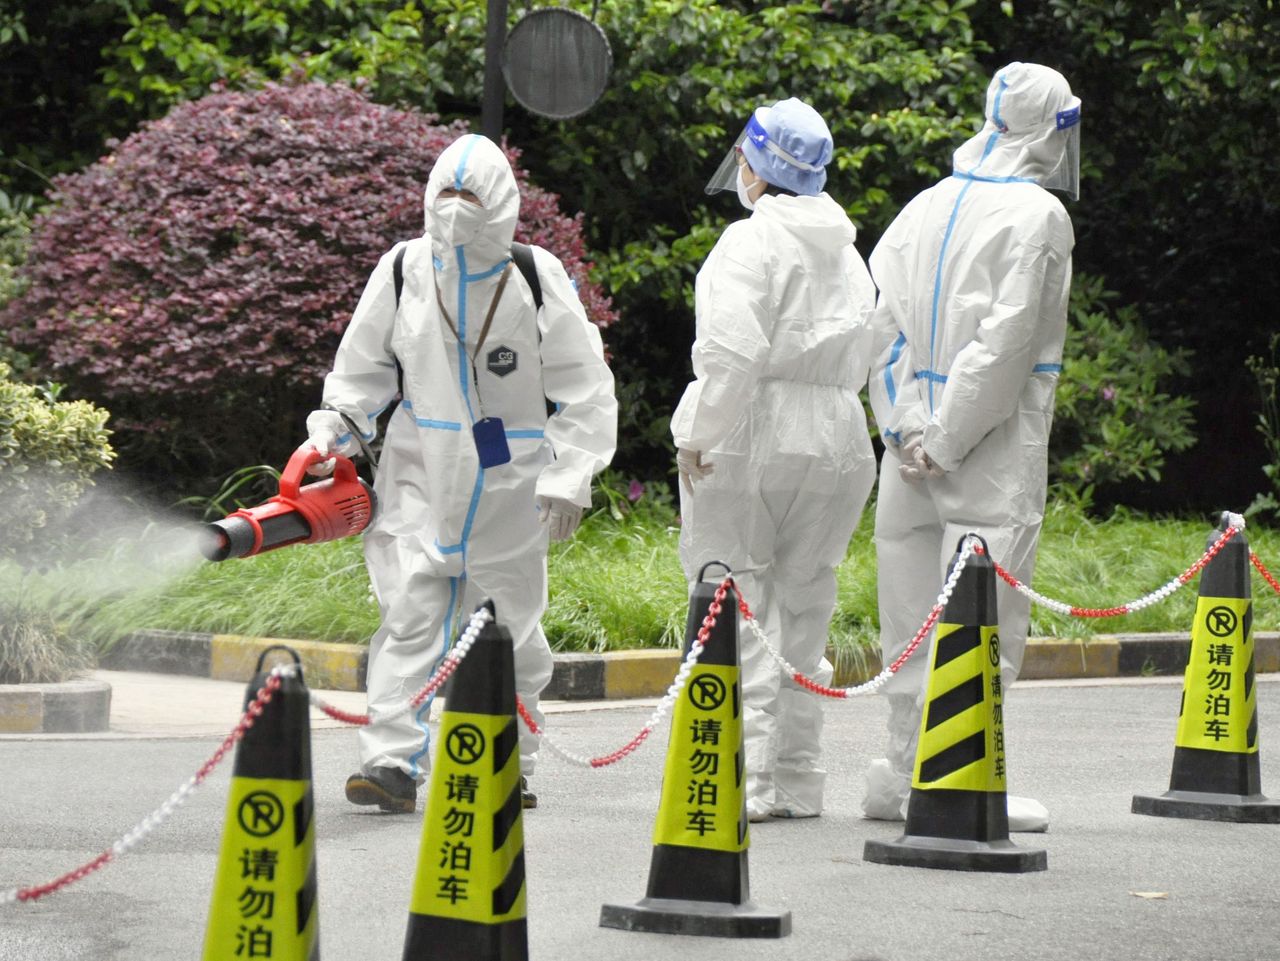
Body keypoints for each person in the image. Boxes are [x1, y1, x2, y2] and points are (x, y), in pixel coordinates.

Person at [304, 133, 617, 813]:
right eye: (444, 193)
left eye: (469, 195)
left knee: (510, 630)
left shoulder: (534, 277)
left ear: (501, 203)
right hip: (421, 470)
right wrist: (337, 426)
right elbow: (364, 369)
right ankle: (391, 760)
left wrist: (572, 473)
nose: (453, 208)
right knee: (410, 615)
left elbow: (586, 388)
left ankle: (507, 760)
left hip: (511, 485)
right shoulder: (403, 269)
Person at [862, 62, 1081, 832]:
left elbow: (877, 329)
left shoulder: (925, 205)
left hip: (908, 449)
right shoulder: (1040, 219)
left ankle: (900, 769)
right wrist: (949, 438)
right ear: (1052, 128)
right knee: (983, 618)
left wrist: (909, 427)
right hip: (987, 454)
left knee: (909, 616)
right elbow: (1005, 346)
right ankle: (961, 775)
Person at [673, 98, 878, 822]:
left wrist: (697, 432)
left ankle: (747, 780)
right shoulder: (848, 252)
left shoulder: (747, 244)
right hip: (840, 435)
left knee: (739, 600)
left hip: (756, 428)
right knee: (805, 599)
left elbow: (731, 354)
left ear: (757, 166)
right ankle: (796, 777)